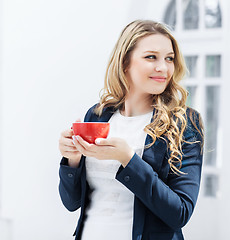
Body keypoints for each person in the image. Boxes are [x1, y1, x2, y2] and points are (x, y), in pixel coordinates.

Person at [58, 19, 204, 240]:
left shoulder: (185, 123)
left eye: (169, 59)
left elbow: (179, 213)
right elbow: (72, 202)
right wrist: (72, 159)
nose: (163, 67)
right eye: (151, 57)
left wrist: (128, 159)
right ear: (125, 62)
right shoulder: (98, 115)